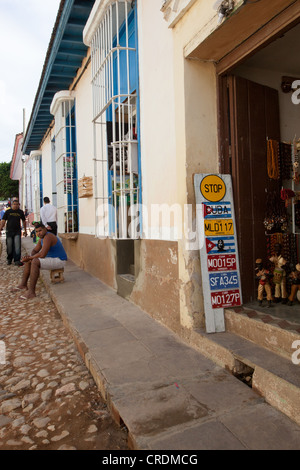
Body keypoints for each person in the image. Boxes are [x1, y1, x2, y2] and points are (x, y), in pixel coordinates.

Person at [15, 223, 67, 299]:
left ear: (45, 229)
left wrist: (31, 258)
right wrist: (30, 257)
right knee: (30, 260)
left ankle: (31, 292)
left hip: (59, 260)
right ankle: (23, 284)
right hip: (52, 259)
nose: (39, 233)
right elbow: (35, 250)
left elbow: (42, 254)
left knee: (35, 261)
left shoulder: (48, 237)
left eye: (40, 230)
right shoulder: (42, 238)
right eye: (37, 231)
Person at [0, 199, 27, 265]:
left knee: (17, 246)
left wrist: (25, 230)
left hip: (17, 231)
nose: (15, 205)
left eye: (17, 204)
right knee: (9, 246)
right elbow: (3, 220)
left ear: (19, 205)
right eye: (14, 204)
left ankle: (17, 260)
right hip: (9, 231)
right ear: (12, 205)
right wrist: (0, 228)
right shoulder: (8, 212)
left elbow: (24, 221)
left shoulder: (20, 212)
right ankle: (9, 259)